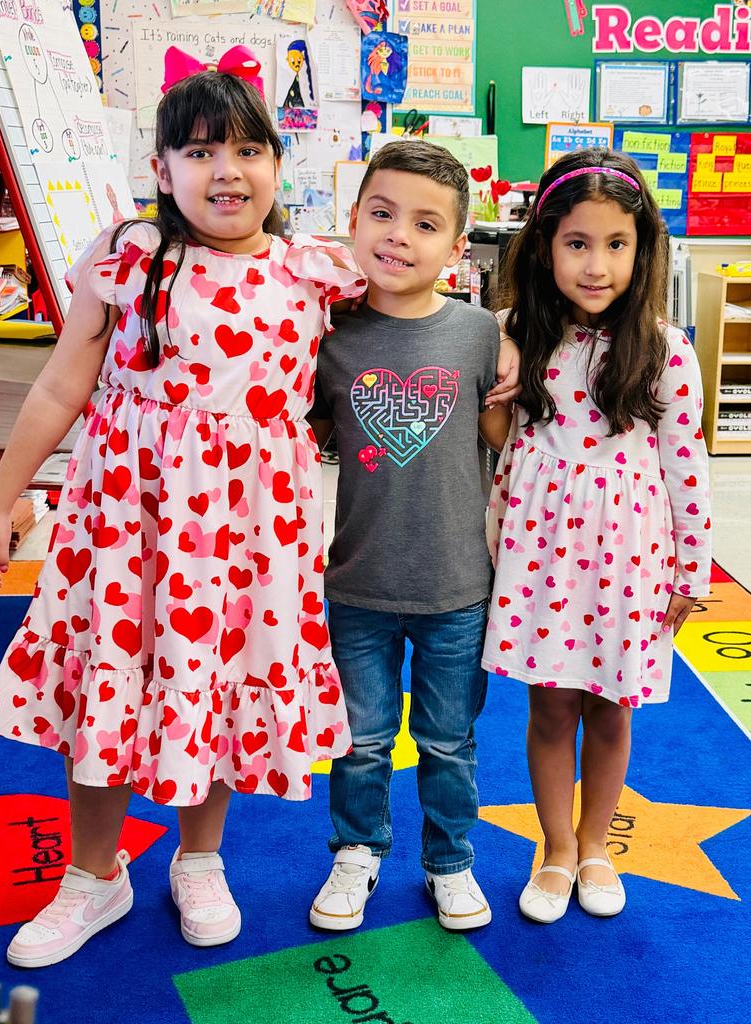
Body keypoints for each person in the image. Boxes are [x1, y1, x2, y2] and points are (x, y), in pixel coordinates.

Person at [0, 69, 366, 967]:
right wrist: (2, 497)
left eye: (248, 149)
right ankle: (92, 873)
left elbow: (411, 324)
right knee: (108, 677)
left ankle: (199, 859)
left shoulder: (312, 272)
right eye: (199, 151)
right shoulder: (133, 257)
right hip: (127, 525)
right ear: (161, 168)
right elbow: (62, 384)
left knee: (217, 678)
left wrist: (501, 343)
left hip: (246, 535)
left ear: (277, 164)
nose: (226, 170)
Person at [481, 149, 711, 923]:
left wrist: (691, 571)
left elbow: (686, 467)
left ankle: (593, 847)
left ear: (642, 251)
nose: (595, 265)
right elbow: (497, 434)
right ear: (544, 245)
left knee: (612, 710)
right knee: (550, 709)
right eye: (576, 242)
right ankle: (552, 848)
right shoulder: (514, 334)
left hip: (629, 558)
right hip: (541, 556)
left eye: (616, 244)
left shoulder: (665, 350)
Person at [307, 140, 519, 933]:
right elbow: (299, 436)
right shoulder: (327, 335)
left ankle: (448, 860)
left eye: (425, 224)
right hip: (357, 583)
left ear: (456, 247)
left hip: (456, 588)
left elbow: (502, 437)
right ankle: (357, 851)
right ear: (352, 219)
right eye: (382, 213)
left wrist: (512, 351)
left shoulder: (477, 335)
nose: (398, 235)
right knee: (360, 740)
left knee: (448, 740)